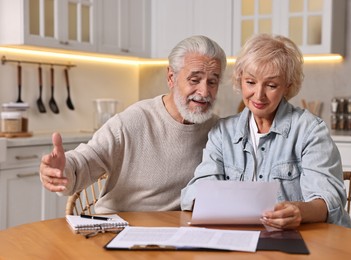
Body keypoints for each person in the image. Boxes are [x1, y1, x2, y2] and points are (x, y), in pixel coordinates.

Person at [181, 33, 351, 229]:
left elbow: (329, 201)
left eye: (271, 85)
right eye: (251, 82)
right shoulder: (222, 133)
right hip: (245, 239)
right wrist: (206, 199)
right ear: (240, 79)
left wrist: (299, 211)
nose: (259, 95)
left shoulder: (310, 130)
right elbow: (196, 191)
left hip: (308, 241)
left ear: (287, 86)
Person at [39, 35, 227, 213]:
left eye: (212, 82)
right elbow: (87, 161)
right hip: (119, 229)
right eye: (194, 80)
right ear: (171, 77)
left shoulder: (219, 132)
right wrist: (62, 170)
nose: (204, 91)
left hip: (177, 234)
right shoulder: (134, 121)